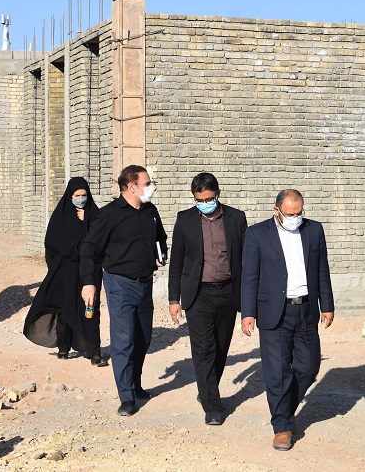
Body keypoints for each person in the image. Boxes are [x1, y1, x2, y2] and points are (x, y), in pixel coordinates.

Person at [241, 189, 334, 451]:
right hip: (274, 312)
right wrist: (248, 312)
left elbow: (322, 270)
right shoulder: (258, 234)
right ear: (277, 211)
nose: (295, 218)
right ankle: (282, 427)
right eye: (290, 214)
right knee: (278, 373)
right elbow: (249, 276)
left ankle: (285, 410)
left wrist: (327, 305)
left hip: (306, 310)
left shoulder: (313, 230)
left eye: (299, 213)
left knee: (309, 367)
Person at [80, 165, 168, 417]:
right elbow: (89, 250)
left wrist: (160, 254)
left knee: (143, 338)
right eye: (147, 183)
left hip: (145, 283)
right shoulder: (109, 215)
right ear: (132, 186)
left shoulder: (150, 211)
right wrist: (89, 283)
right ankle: (126, 396)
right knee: (123, 340)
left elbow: (160, 238)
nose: (151, 188)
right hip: (120, 284)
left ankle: (135, 384)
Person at [168, 172, 247, 425]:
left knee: (221, 349)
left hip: (228, 292)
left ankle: (206, 390)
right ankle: (212, 406)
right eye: (199, 200)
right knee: (203, 350)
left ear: (218, 194)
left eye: (209, 199)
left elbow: (246, 260)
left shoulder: (236, 218)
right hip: (198, 294)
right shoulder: (185, 220)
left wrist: (250, 300)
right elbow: (176, 262)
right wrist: (173, 299)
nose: (205, 204)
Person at [24, 177, 107, 367]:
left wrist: (86, 222)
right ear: (70, 196)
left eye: (84, 195)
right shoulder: (61, 216)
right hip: (65, 271)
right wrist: (57, 267)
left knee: (90, 309)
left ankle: (94, 352)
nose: (81, 199)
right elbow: (52, 244)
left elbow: (97, 242)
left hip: (88, 272)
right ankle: (63, 347)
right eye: (77, 195)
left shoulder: (95, 215)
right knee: (65, 308)